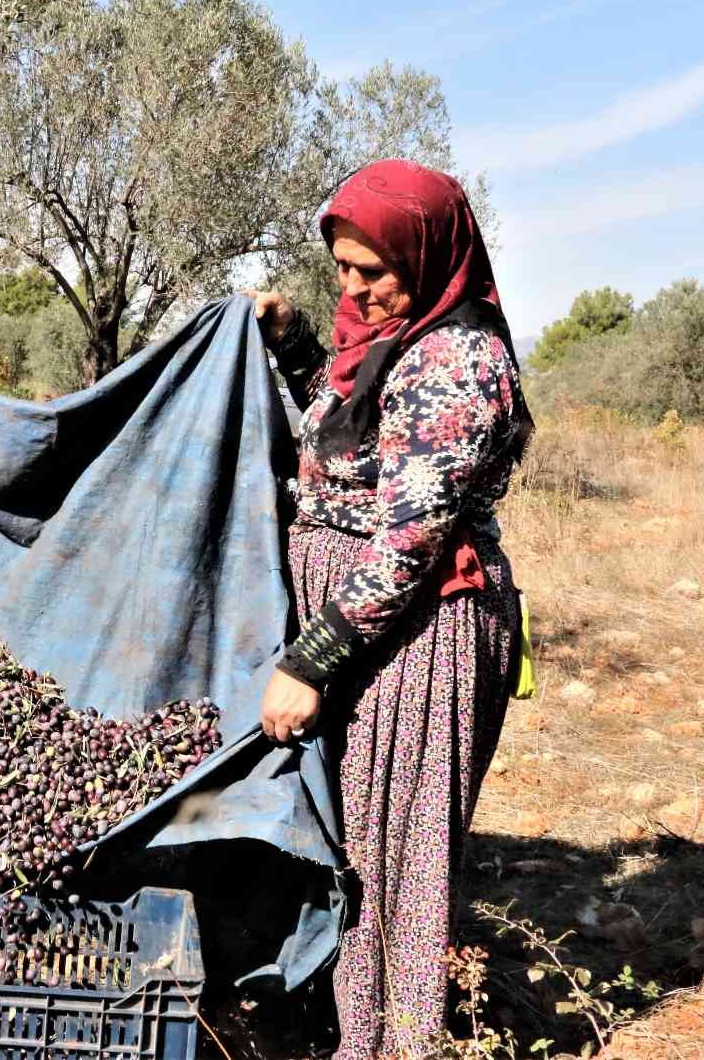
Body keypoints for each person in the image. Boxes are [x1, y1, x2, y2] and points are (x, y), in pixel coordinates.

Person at [244, 159, 532, 1058]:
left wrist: (309, 661)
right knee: (345, 833)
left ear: (431, 252)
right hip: (366, 621)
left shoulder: (458, 360)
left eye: (376, 271)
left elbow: (408, 539)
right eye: (342, 270)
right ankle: (339, 1021)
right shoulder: (386, 343)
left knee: (391, 854)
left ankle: (385, 1043)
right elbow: (344, 445)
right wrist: (295, 345)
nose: (358, 290)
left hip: (418, 632)